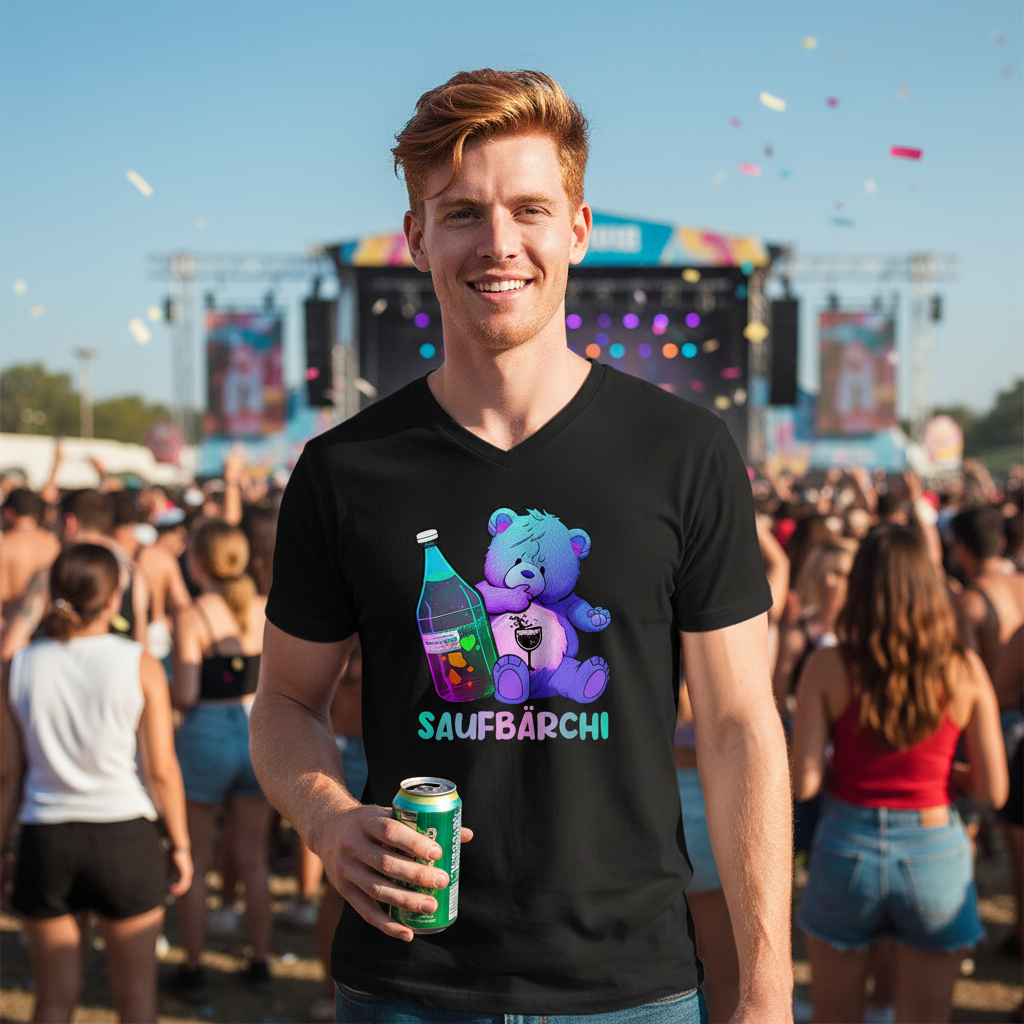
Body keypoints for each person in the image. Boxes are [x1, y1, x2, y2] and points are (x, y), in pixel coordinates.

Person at [250, 68, 792, 1022]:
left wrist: (769, 987)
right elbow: (286, 702)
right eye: (461, 213)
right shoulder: (343, 470)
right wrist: (327, 818)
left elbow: (743, 727)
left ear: (576, 228)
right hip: (407, 984)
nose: (498, 244)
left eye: (529, 209)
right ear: (416, 238)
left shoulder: (686, 452)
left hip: (632, 989)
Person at [791, 525, 1008, 1024]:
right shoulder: (965, 669)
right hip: (935, 846)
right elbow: (994, 790)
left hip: (847, 842)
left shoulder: (827, 665)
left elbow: (803, 783)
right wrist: (946, 775)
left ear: (861, 587)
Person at [0, 543, 192, 1024]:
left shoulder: (17, 667)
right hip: (125, 837)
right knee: (135, 1000)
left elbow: (6, 774)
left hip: (45, 839)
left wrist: (3, 846)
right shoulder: (139, 663)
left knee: (53, 1000)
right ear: (114, 600)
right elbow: (162, 771)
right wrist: (182, 844)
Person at [164, 520, 273, 1001]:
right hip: (254, 731)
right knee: (253, 859)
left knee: (197, 860)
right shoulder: (263, 606)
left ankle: (193, 966)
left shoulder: (192, 615)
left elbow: (186, 693)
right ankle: (262, 960)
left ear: (198, 562)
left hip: (206, 736)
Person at [0, 488, 60, 623]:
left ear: (9, 513)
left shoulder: (5, 545)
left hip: (11, 622)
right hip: (47, 623)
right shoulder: (53, 543)